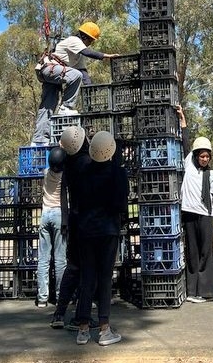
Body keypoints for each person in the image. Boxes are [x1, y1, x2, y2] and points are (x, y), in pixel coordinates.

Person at [75, 131, 129, 346]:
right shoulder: (118, 173)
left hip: (85, 231)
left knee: (87, 278)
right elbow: (121, 205)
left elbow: (77, 202)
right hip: (108, 230)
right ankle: (104, 329)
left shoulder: (83, 172)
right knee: (105, 278)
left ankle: (82, 329)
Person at [31, 22, 119, 145]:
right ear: (85, 37)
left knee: (48, 106)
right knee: (75, 75)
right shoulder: (74, 40)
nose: (91, 43)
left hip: (55, 74)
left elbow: (83, 73)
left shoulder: (78, 53)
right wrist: (106, 56)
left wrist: (91, 89)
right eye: (91, 41)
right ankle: (66, 107)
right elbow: (88, 53)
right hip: (50, 68)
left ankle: (39, 140)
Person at [50, 125, 97, 331]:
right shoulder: (88, 163)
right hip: (88, 222)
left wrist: (66, 220)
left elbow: (63, 196)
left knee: (73, 268)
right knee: (88, 270)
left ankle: (59, 313)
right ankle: (81, 317)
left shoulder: (68, 163)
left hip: (74, 220)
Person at [177, 105, 213, 303]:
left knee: (206, 251)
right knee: (192, 251)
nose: (205, 159)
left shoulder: (211, 174)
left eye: (207, 156)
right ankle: (192, 292)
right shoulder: (188, 163)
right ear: (195, 156)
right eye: (201, 156)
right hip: (189, 213)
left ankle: (206, 290)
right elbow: (186, 142)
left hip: (206, 215)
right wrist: (183, 121)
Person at [36, 146, 68, 308]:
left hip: (45, 214)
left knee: (43, 259)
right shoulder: (64, 176)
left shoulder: (45, 172)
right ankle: (59, 296)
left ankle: (42, 298)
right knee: (60, 259)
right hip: (58, 215)